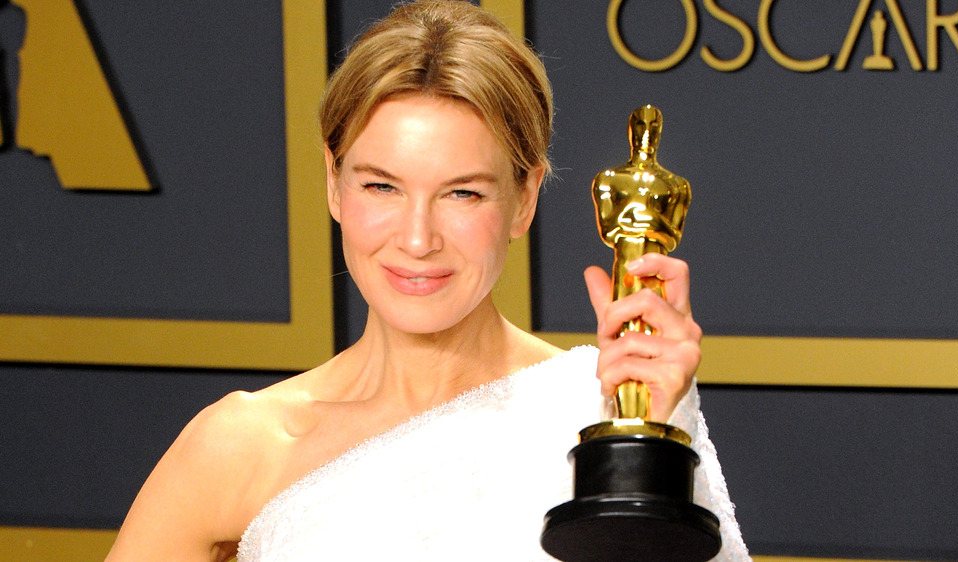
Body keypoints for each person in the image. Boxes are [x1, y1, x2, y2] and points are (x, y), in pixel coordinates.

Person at [106, 1, 749, 560]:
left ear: (524, 197)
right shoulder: (242, 448)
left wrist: (652, 455)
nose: (417, 240)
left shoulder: (595, 412)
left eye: (462, 193)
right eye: (381, 185)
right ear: (334, 182)